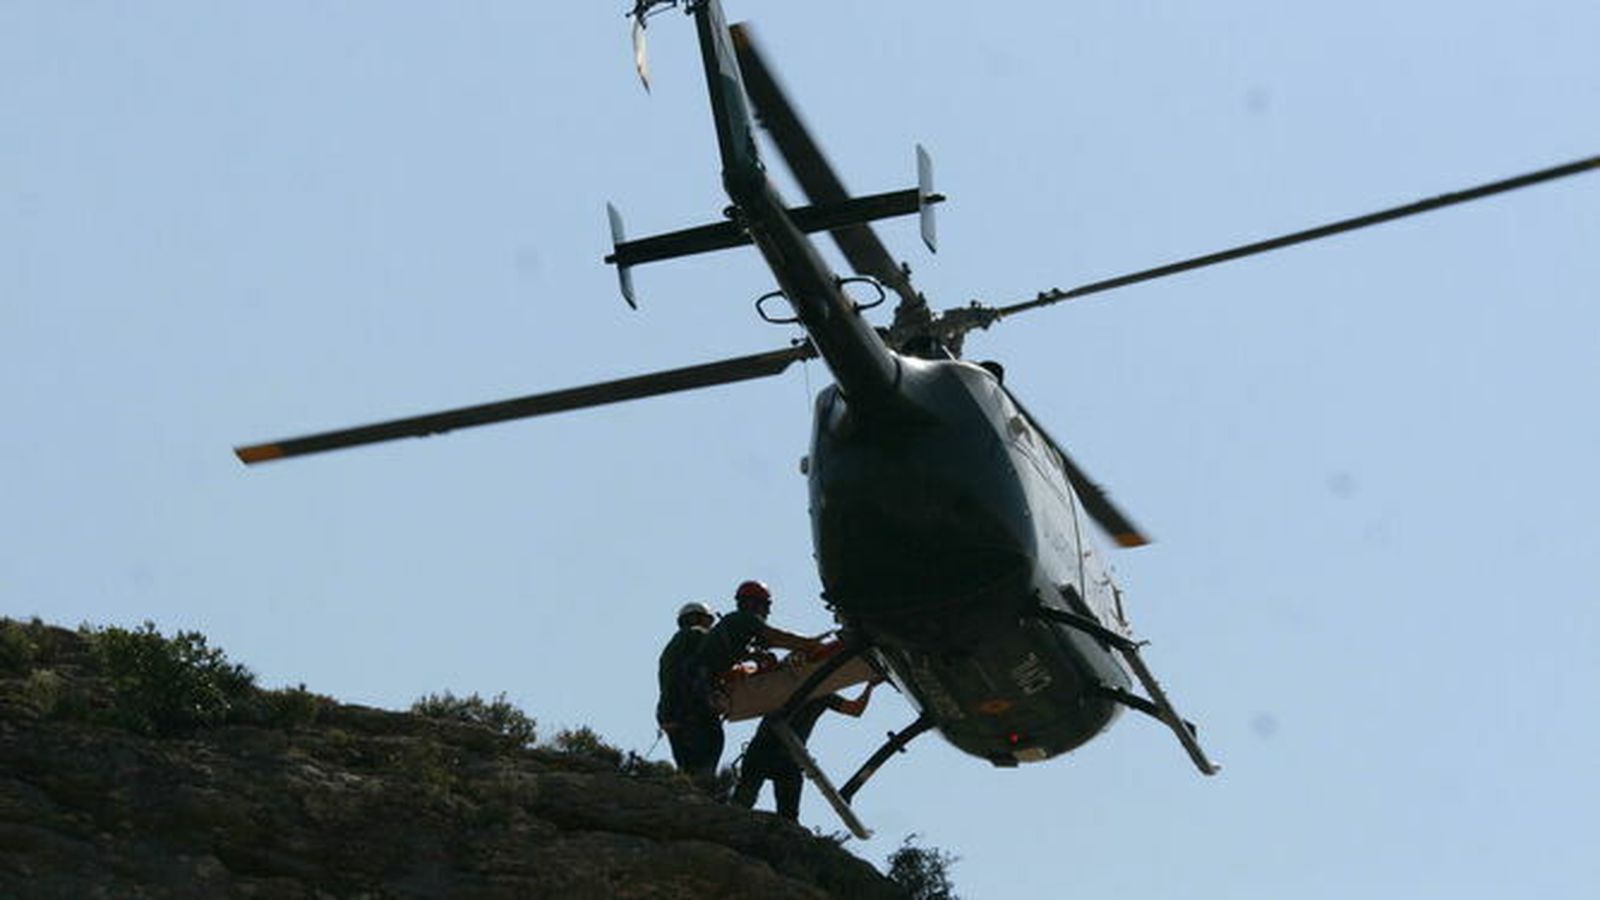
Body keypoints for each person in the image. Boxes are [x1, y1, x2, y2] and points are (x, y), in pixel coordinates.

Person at [685, 580, 827, 779]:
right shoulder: (745, 620)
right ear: (754, 604)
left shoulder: (735, 623)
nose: (767, 612)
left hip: (698, 683)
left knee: (708, 737)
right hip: (701, 683)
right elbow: (777, 637)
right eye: (766, 606)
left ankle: (698, 785)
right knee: (710, 740)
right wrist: (810, 644)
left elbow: (766, 643)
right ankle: (700, 788)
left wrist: (757, 656)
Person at [732, 681, 877, 821]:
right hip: (764, 748)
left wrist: (870, 686)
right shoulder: (786, 683)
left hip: (788, 757)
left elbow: (855, 710)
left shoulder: (823, 694)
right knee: (743, 801)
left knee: (788, 815)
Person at [656, 601, 718, 776]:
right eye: (707, 621)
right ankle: (703, 796)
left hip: (671, 714)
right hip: (691, 712)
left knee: (687, 766)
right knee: (707, 755)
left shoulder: (673, 646)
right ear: (696, 619)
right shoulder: (695, 635)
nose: (709, 626)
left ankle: (690, 794)